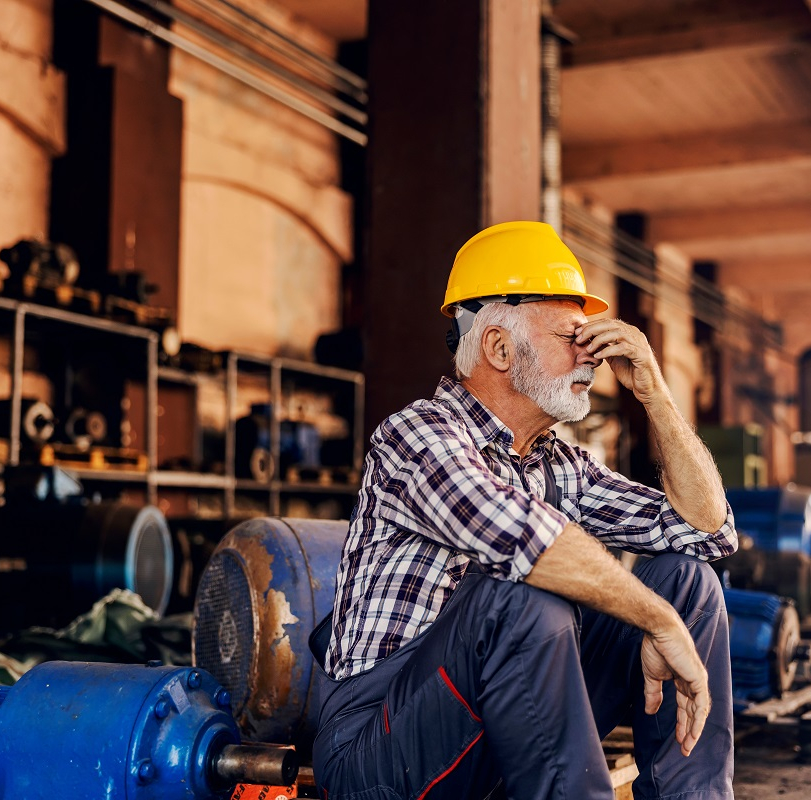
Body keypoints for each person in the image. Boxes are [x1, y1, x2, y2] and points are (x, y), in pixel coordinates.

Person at [311, 221, 738, 799]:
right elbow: (524, 544)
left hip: (495, 727)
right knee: (518, 596)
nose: (591, 357)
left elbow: (708, 533)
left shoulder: (560, 464)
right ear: (499, 347)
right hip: (378, 749)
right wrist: (656, 622)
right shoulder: (416, 436)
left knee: (686, 581)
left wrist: (656, 398)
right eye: (572, 337)